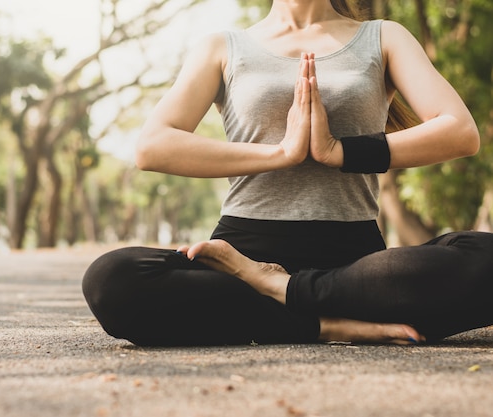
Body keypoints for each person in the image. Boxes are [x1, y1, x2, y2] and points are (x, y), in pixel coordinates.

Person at [82, 0, 482, 346]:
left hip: (354, 266)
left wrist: (340, 152)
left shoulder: (383, 37)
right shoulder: (224, 47)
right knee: (112, 281)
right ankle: (323, 323)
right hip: (240, 256)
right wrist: (281, 153)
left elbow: (460, 132)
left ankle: (282, 290)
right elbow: (153, 146)